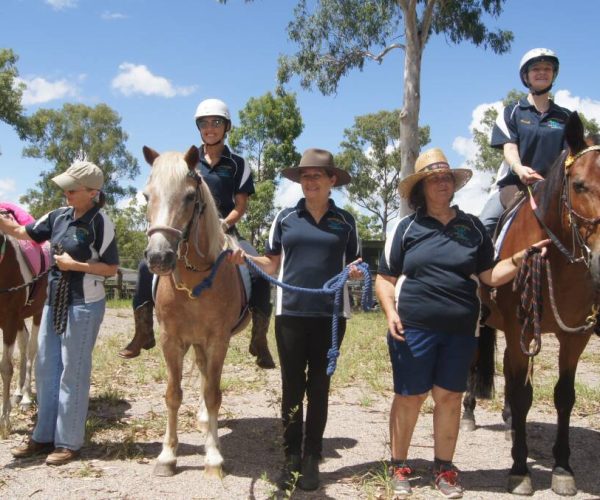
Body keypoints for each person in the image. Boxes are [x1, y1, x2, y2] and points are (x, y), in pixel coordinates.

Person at [375, 148, 549, 499]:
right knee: (409, 397)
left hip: (460, 331)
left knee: (450, 397)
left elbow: (490, 274)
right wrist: (391, 313)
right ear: (421, 188)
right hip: (412, 327)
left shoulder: (472, 228)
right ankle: (399, 465)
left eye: (446, 178)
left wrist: (521, 256)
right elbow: (384, 278)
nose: (441, 183)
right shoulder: (405, 228)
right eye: (434, 178)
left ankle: (444, 467)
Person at [229, 148, 362, 491]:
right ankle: (290, 456)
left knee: (319, 388)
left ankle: (312, 456)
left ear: (332, 180)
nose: (310, 181)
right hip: (290, 315)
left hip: (331, 315)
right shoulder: (285, 218)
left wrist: (357, 272)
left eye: (317, 175)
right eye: (305, 176)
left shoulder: (345, 221)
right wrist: (248, 258)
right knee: (292, 387)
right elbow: (273, 263)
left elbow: (354, 265)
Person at [118, 98, 275, 368]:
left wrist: (223, 225)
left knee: (257, 269)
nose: (210, 128)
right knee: (146, 267)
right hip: (188, 232)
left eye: (216, 122)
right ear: (198, 128)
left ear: (227, 127)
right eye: (204, 123)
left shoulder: (238, 164)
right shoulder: (186, 163)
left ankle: (259, 338)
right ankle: (143, 330)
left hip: (227, 230)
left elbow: (241, 206)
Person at [0, 161, 119, 466]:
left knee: (72, 372)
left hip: (84, 303)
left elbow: (111, 268)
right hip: (53, 301)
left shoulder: (100, 222)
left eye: (72, 188)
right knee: (44, 368)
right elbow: (19, 231)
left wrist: (76, 265)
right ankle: (42, 436)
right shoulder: (57, 217)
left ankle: (68, 442)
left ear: (93, 192)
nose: (66, 192)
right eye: (65, 187)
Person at [480, 48, 571, 236]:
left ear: (554, 75)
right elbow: (510, 148)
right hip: (515, 185)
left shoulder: (565, 117)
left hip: (554, 189)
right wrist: (520, 169)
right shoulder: (511, 112)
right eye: (536, 68)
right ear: (526, 76)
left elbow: (570, 157)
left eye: (547, 68)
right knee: (483, 227)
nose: (542, 72)